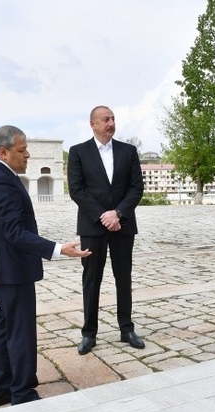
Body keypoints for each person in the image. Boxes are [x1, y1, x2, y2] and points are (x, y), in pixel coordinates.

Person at [0, 125, 90, 407]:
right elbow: (14, 232)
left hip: (1, 268)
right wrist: (57, 249)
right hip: (11, 269)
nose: (28, 154)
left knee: (6, 328)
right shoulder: (1, 179)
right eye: (22, 150)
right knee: (20, 332)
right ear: (3, 152)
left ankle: (1, 388)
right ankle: (23, 393)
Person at [68, 106, 145, 355]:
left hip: (123, 225)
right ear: (93, 124)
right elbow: (77, 190)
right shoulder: (78, 152)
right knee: (92, 280)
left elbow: (136, 188)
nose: (111, 123)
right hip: (93, 226)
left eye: (113, 119)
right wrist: (103, 216)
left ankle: (127, 329)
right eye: (105, 119)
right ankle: (89, 333)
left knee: (124, 277)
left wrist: (118, 214)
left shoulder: (128, 151)